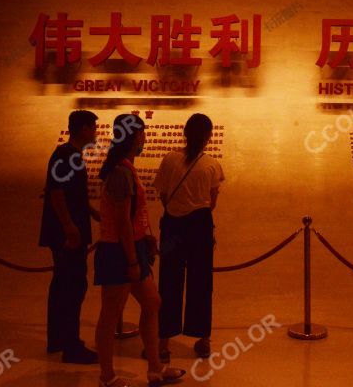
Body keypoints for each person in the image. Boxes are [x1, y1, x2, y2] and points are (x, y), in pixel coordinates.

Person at [94, 114, 186, 387]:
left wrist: (144, 238)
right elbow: (121, 220)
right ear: (134, 136)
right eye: (143, 133)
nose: (145, 138)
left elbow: (131, 216)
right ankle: (107, 376)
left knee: (152, 303)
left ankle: (155, 368)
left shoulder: (124, 167)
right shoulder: (121, 172)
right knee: (110, 315)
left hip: (130, 247)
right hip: (118, 252)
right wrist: (133, 260)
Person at [154, 113, 224, 361]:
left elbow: (162, 194)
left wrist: (177, 209)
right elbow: (211, 202)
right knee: (201, 282)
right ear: (208, 136)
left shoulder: (170, 159)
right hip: (200, 226)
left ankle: (163, 342)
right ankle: (202, 338)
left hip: (173, 225)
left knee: (169, 281)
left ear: (184, 133)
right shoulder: (212, 164)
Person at [39, 110, 100, 364]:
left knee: (61, 284)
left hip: (65, 230)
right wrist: (69, 227)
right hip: (66, 234)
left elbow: (73, 195)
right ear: (83, 129)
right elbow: (56, 192)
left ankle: (58, 339)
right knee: (73, 286)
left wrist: (93, 213)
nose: (96, 132)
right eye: (94, 127)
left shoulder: (71, 155)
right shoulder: (66, 156)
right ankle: (71, 346)